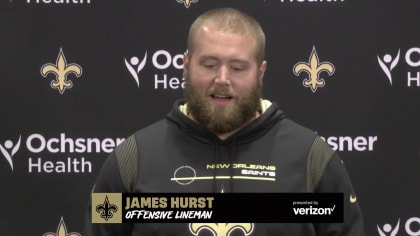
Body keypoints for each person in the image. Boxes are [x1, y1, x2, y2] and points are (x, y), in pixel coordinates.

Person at [83, 7, 366, 236]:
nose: (222, 79)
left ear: (261, 72)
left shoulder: (312, 159)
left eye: (238, 67)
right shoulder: (132, 159)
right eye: (209, 64)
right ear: (185, 65)